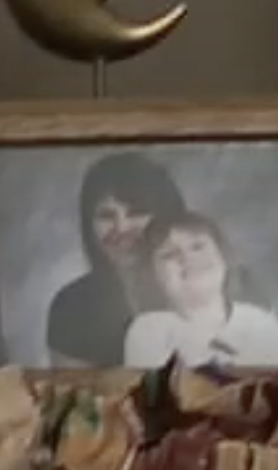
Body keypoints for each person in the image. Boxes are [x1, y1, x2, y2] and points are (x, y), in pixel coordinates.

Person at [41, 148, 188, 367]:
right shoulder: (71, 306)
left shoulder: (213, 285)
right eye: (106, 216)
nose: (121, 228)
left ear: (168, 214)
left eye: (136, 212)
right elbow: (74, 398)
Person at [119, 212, 278, 371]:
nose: (187, 257)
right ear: (152, 275)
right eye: (169, 254)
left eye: (198, 246)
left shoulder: (264, 326)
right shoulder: (148, 331)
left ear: (224, 257)